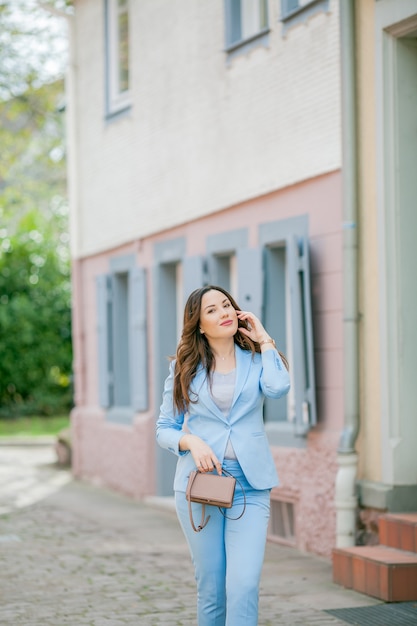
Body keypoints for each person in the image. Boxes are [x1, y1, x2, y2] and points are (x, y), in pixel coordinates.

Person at [156, 285, 290, 626]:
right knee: (212, 587)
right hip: (200, 486)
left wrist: (265, 340)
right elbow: (164, 428)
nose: (224, 312)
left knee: (244, 585)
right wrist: (191, 442)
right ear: (199, 324)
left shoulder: (258, 361)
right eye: (212, 310)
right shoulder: (185, 369)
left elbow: (278, 388)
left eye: (226, 305)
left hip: (250, 484)